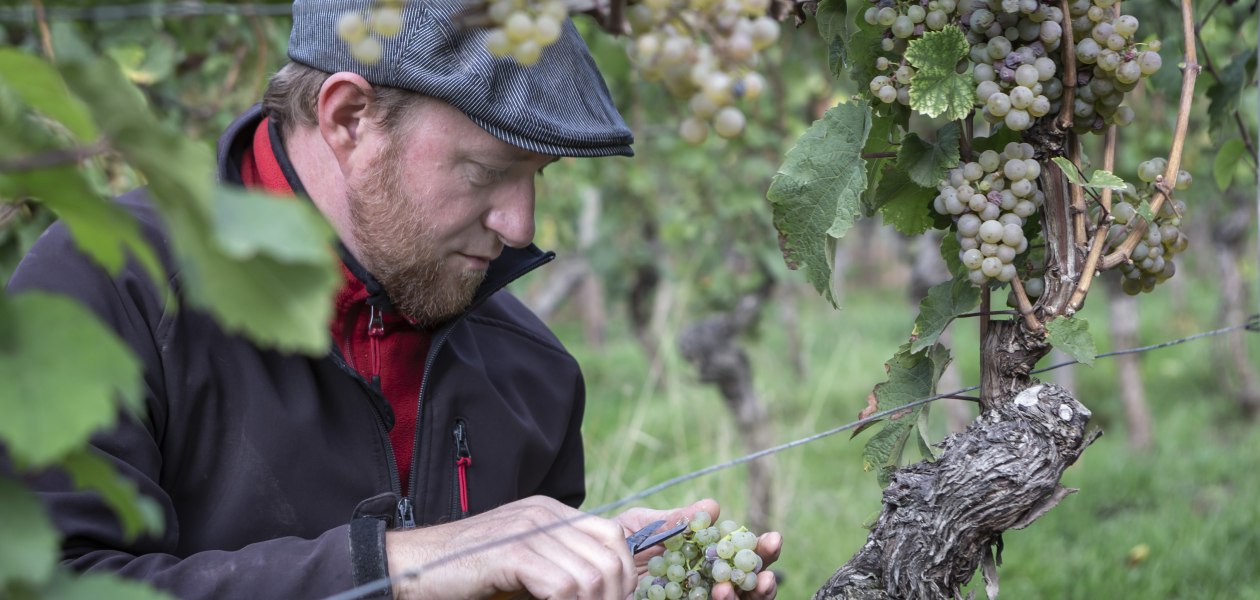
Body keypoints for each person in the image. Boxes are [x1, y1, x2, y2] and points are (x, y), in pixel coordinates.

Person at [6, 0, 782, 598]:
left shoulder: (534, 377)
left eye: (537, 176)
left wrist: (599, 576)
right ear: (348, 119)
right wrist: (396, 568)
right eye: (486, 172)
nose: (520, 226)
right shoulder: (108, 289)